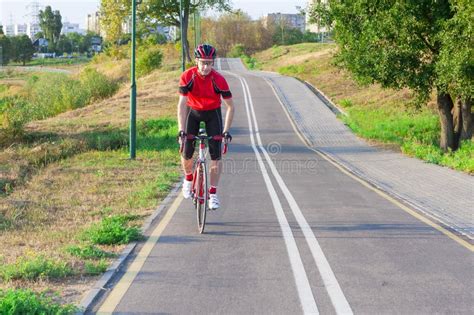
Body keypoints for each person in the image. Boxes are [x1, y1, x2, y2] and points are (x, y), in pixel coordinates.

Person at [177, 44, 235, 210]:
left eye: (209, 63)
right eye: (202, 62)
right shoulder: (188, 76)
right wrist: (181, 129)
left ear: (213, 63)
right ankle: (188, 179)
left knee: (216, 156)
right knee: (187, 152)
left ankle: (213, 193)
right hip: (192, 113)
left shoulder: (219, 80)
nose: (205, 67)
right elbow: (181, 104)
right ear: (196, 61)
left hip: (212, 114)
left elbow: (231, 106)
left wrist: (225, 131)